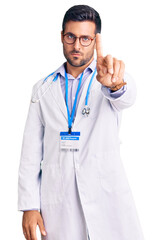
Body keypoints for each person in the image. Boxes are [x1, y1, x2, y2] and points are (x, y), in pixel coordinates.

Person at [18, 4, 144, 240]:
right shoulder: (42, 89)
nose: (77, 46)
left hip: (107, 197)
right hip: (60, 202)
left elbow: (126, 97)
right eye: (71, 37)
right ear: (62, 37)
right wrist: (28, 205)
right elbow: (31, 152)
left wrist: (115, 84)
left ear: (95, 40)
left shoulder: (108, 79)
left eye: (85, 39)